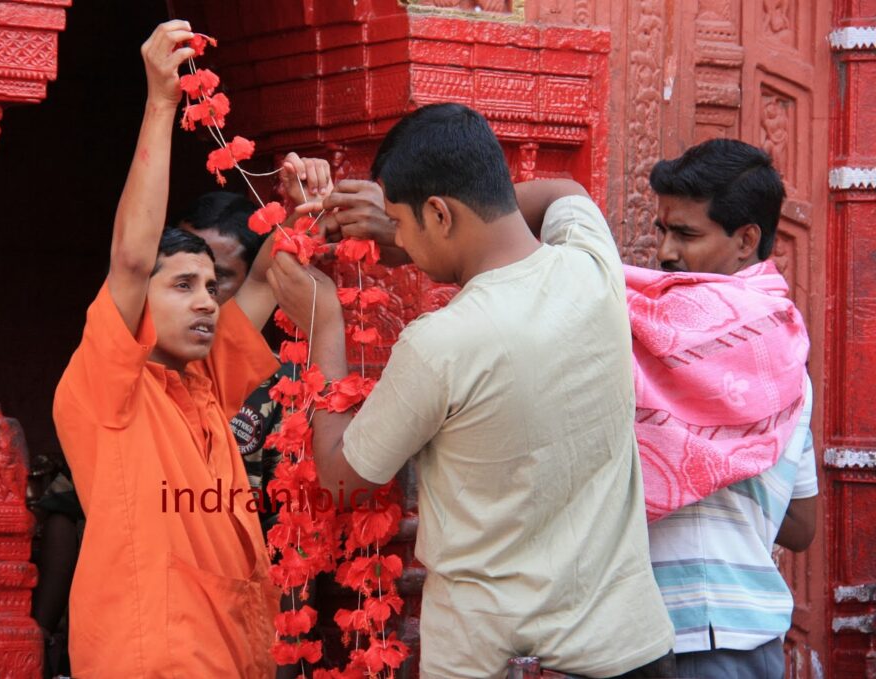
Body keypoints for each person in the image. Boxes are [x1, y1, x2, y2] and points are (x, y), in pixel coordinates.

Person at [268, 103, 676, 678]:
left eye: (404, 225)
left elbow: (340, 476)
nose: (398, 242)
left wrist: (325, 325)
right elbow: (563, 188)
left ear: (439, 213)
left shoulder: (440, 343)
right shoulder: (592, 266)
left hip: (493, 661)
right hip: (629, 651)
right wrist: (400, 228)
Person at [52, 21, 330, 677]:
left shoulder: (205, 385)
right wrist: (160, 102)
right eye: (182, 285)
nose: (208, 300)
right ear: (139, 304)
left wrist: (302, 210)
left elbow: (263, 279)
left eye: (210, 285)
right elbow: (129, 256)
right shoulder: (111, 391)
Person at [639, 138, 816, 678]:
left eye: (687, 234)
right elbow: (801, 526)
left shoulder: (657, 340)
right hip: (746, 632)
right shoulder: (787, 353)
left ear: (746, 240)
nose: (667, 251)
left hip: (683, 630)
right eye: (662, 230)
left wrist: (695, 460)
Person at [174, 192, 293, 531]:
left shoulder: (284, 385)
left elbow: (290, 528)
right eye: (182, 279)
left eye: (216, 280)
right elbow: (67, 501)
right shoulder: (138, 362)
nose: (200, 298)